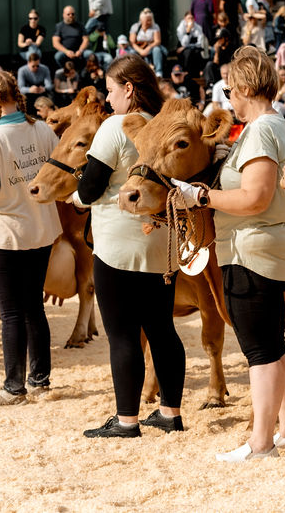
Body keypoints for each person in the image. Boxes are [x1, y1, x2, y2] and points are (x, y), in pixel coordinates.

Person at [175, 46, 285, 461]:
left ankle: (262, 442)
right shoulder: (269, 126)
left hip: (254, 249)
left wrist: (201, 197)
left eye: (230, 89)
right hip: (263, 247)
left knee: (260, 352)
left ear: (248, 87)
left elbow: (255, 198)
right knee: (274, 345)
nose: (227, 97)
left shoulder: (263, 129)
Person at [72, 56, 185, 437]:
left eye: (110, 89)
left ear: (129, 89)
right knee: (162, 329)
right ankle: (170, 413)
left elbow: (89, 188)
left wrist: (75, 197)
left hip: (118, 243)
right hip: (162, 242)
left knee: (122, 333)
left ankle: (126, 420)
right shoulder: (165, 123)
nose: (108, 97)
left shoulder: (115, 127)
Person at [0, 70, 61, 404]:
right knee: (34, 306)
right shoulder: (42, 129)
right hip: (42, 227)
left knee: (11, 313)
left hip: (8, 233)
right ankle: (40, 380)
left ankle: (13, 387)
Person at [129, 8, 168, 77]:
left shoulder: (155, 26)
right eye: (147, 20)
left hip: (152, 47)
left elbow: (157, 41)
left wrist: (148, 48)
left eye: (150, 20)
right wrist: (141, 51)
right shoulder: (135, 27)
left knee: (157, 50)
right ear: (141, 20)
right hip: (139, 47)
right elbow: (132, 42)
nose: (149, 22)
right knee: (132, 53)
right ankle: (135, 72)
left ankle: (158, 72)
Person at [175, 11, 206, 77]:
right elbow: (183, 43)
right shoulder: (180, 28)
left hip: (193, 48)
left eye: (192, 18)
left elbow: (200, 43)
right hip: (184, 49)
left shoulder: (198, 27)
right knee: (188, 52)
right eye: (188, 18)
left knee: (197, 52)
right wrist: (188, 31)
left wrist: (186, 47)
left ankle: (198, 73)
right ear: (185, 19)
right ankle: (186, 72)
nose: (191, 20)